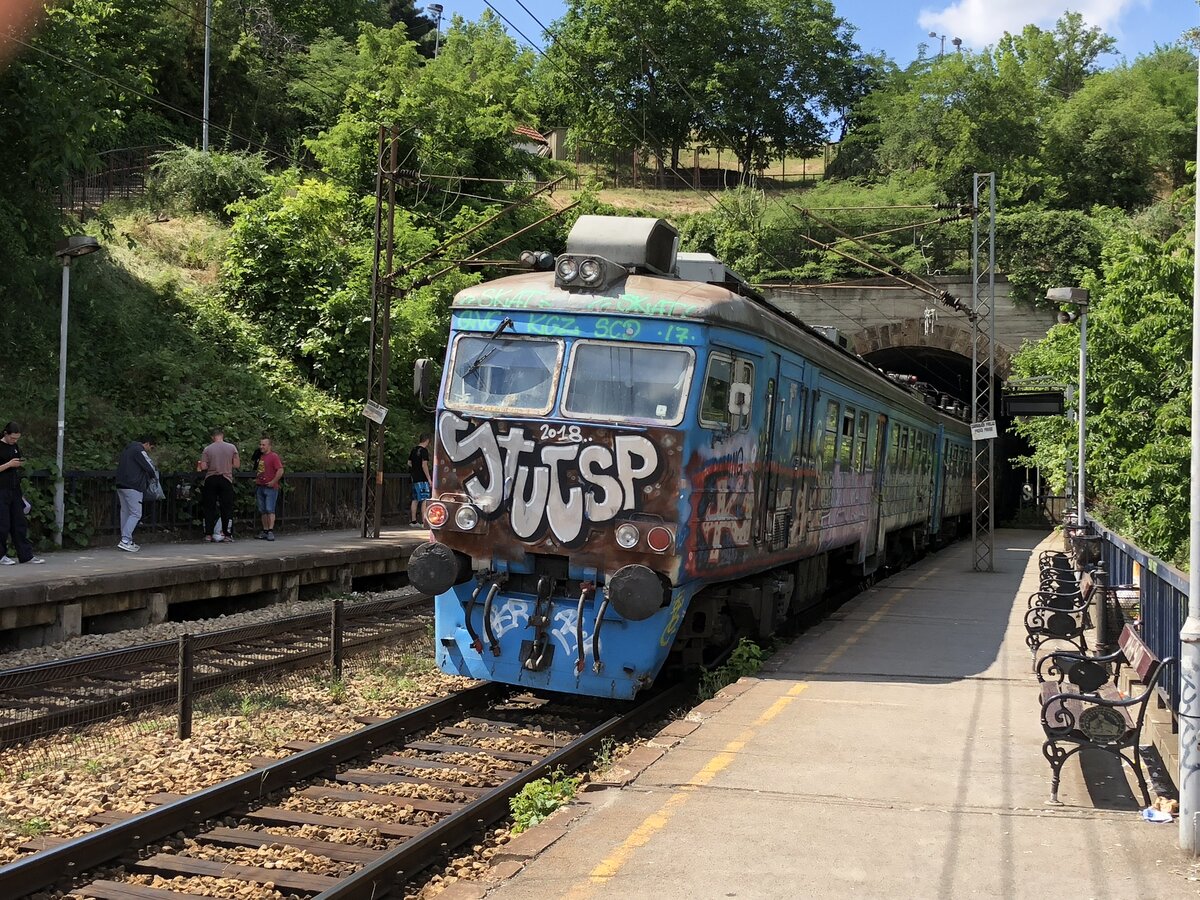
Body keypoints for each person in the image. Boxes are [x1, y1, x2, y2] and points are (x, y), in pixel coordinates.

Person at [0, 422, 43, 565]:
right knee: (3, 524)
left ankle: (26, 554)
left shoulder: (15, 447)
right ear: (5, 434)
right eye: (12, 438)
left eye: (17, 439)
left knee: (19, 522)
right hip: (1, 489)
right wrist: (8, 464)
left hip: (14, 488)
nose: (14, 441)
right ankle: (1, 555)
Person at [114, 435, 158, 552]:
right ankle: (125, 540)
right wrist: (153, 476)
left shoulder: (127, 449)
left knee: (125, 512)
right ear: (147, 443)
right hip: (133, 486)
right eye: (151, 448)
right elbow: (150, 468)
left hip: (121, 484)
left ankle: (126, 540)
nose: (150, 451)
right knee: (136, 513)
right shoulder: (139, 450)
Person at [198, 427, 240, 543]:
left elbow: (204, 467)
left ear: (213, 437)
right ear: (223, 436)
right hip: (226, 478)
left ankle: (208, 534)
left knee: (209, 506)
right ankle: (227, 534)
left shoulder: (207, 449)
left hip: (211, 479)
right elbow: (236, 464)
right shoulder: (231, 447)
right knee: (227, 507)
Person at [254, 436, 284, 541]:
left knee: (270, 509)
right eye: (260, 444)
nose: (261, 446)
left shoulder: (273, 456)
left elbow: (280, 470)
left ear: (269, 446)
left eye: (263, 445)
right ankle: (265, 530)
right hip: (260, 485)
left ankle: (270, 530)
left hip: (270, 487)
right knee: (262, 510)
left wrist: (273, 481)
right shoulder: (260, 456)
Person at [408, 433, 432, 526]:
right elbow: (424, 465)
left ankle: (413, 521)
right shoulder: (424, 451)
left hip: (414, 477)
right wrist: (429, 478)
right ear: (427, 441)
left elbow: (409, 462)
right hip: (422, 478)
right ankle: (424, 521)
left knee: (415, 499)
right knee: (424, 499)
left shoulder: (414, 450)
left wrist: (415, 468)